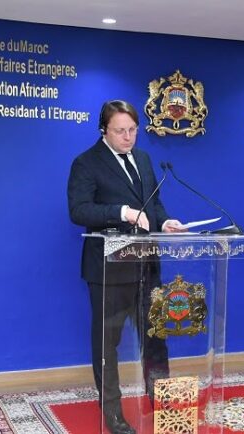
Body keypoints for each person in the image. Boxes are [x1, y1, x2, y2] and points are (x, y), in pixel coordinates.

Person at [68, 100, 185, 434]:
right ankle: (114, 413)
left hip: (147, 264)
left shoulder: (143, 159)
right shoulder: (86, 163)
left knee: (156, 337)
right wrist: (122, 212)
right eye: (120, 131)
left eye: (133, 130)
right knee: (108, 344)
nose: (128, 137)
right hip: (109, 269)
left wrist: (165, 222)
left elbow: (153, 203)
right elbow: (78, 210)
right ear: (103, 130)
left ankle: (162, 401)